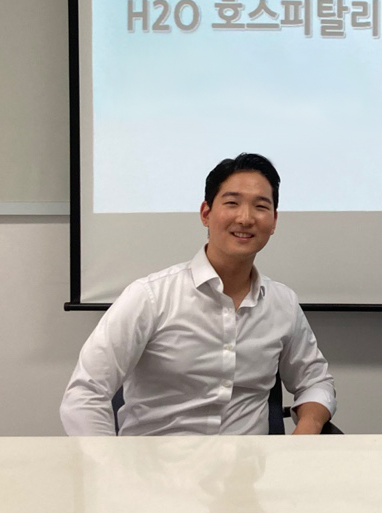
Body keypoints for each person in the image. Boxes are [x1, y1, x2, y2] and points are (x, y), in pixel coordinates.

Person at [60, 153, 335, 435]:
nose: (245, 218)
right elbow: (85, 394)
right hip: (158, 461)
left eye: (260, 207)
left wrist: (307, 428)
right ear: (206, 213)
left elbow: (316, 382)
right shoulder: (150, 298)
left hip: (248, 463)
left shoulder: (282, 304)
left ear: (274, 221)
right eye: (232, 203)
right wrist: (107, 461)